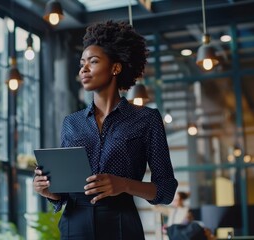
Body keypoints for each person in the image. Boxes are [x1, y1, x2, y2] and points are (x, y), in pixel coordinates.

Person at [33, 20, 178, 240]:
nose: (84, 69)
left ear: (115, 68)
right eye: (82, 63)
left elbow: (166, 190)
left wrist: (123, 185)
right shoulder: (71, 123)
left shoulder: (146, 119)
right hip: (75, 224)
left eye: (93, 61)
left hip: (121, 223)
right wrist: (48, 191)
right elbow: (62, 194)